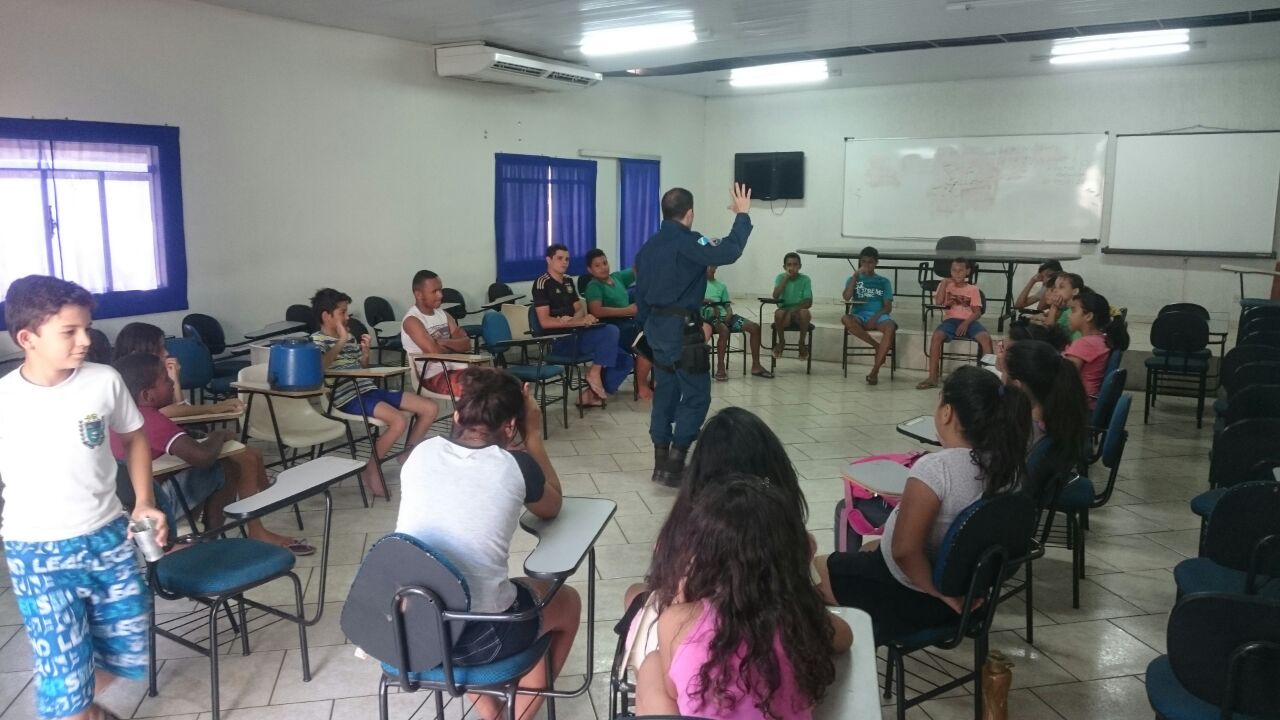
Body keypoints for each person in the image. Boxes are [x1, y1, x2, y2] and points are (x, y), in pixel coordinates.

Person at [0, 275, 167, 720]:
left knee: (127, 644)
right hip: (37, 550)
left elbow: (134, 436)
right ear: (27, 338)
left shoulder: (103, 380)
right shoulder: (5, 399)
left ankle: (78, 705)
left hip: (106, 535)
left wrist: (144, 501)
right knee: (62, 663)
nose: (85, 340)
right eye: (69, 332)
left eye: (87, 328)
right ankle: (75, 710)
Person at [395, 367, 579, 720]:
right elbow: (553, 506)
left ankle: (492, 715)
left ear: (458, 415)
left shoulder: (420, 453)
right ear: (510, 426)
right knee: (566, 601)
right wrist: (534, 435)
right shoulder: (516, 465)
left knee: (456, 592)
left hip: (407, 631)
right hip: (479, 639)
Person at [817, 367, 1030, 643]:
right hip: (969, 593)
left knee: (808, 571)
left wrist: (942, 594)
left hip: (914, 596)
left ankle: (828, 652)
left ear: (947, 412)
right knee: (869, 548)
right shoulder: (1010, 468)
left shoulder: (936, 469)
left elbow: (904, 551)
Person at [636, 475, 852, 719]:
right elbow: (846, 637)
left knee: (652, 664)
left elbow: (671, 690)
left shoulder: (677, 621)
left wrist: (681, 596)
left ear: (701, 555)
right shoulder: (800, 618)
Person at [109, 352, 314, 555]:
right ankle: (212, 538)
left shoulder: (119, 417)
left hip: (130, 511)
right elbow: (202, 457)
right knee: (227, 464)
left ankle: (209, 537)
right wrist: (219, 435)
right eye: (165, 380)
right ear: (147, 395)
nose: (172, 383)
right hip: (157, 508)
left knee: (224, 460)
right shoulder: (149, 419)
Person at [635, 184, 753, 487]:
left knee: (666, 391)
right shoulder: (689, 241)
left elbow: (641, 297)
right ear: (689, 214)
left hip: (656, 329)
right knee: (697, 394)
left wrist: (648, 328)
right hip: (682, 331)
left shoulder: (647, 248)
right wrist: (742, 215)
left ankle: (660, 463)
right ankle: (676, 463)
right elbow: (729, 250)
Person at [311, 288, 439, 497]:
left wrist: (364, 356)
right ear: (326, 316)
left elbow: (361, 370)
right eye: (342, 312)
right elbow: (319, 369)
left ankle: (406, 455)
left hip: (367, 389)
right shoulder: (316, 341)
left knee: (429, 408)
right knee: (398, 421)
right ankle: (372, 469)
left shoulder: (349, 338)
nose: (347, 317)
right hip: (345, 397)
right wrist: (341, 341)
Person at [532, 244, 633, 408]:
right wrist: (575, 321)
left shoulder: (568, 281)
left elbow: (579, 309)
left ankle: (590, 394)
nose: (564, 262)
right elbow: (544, 321)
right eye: (560, 258)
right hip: (560, 341)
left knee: (625, 359)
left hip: (577, 334)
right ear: (549, 260)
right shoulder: (542, 283)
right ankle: (594, 374)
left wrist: (575, 319)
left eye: (567, 259)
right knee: (611, 331)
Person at [1001, 339, 1089, 503]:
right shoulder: (1063, 414)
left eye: (1003, 372)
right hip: (1029, 497)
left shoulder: (1023, 430)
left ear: (1018, 385)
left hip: (1010, 500)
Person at [112, 322, 245, 419]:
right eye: (159, 349)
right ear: (139, 353)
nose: (166, 353)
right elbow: (162, 413)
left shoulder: (151, 375)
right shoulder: (125, 381)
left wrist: (174, 379)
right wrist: (214, 408)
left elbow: (179, 411)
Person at [583, 249, 653, 399]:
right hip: (613, 328)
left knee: (658, 334)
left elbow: (636, 269)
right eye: (597, 265)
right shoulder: (594, 286)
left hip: (630, 323)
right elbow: (596, 311)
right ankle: (641, 387)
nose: (603, 267)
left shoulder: (616, 277)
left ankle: (656, 381)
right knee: (647, 343)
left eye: (605, 263)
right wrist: (626, 310)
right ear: (590, 269)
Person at [918, 257, 993, 390]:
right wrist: (944, 283)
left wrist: (965, 323)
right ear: (950, 271)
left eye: (960, 270)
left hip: (969, 321)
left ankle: (989, 378)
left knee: (985, 338)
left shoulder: (972, 289)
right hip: (951, 321)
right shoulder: (946, 285)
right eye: (954, 270)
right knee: (936, 336)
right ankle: (932, 377)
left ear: (967, 271)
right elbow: (939, 302)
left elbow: (977, 313)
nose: (957, 273)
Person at [400, 269, 471, 397]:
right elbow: (435, 355)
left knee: (501, 381)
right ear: (418, 294)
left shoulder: (443, 314)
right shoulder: (412, 320)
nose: (440, 295)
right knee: (481, 388)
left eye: (440, 290)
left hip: (456, 368)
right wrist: (453, 346)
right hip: (433, 377)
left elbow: (466, 344)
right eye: (434, 291)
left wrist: (444, 342)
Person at [702, 265, 770, 380]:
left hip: (726, 317)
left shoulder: (721, 286)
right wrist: (710, 302)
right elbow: (694, 301)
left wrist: (729, 314)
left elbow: (727, 305)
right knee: (724, 330)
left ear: (715, 268)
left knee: (754, 327)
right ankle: (720, 366)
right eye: (707, 266)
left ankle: (756, 366)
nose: (709, 269)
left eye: (711, 266)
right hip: (710, 317)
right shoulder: (698, 285)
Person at [841, 245, 897, 385]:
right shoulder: (853, 279)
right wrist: (855, 277)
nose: (866, 265)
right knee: (845, 318)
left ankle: (874, 372)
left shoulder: (883, 281)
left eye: (870, 262)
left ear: (876, 263)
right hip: (859, 314)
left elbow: (888, 307)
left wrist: (875, 317)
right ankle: (876, 345)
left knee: (890, 327)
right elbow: (846, 297)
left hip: (879, 315)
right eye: (863, 262)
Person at [1064, 287, 1129, 406]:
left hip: (1078, 406)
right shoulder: (1101, 339)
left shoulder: (1084, 344)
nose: (1069, 316)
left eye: (1073, 310)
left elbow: (1064, 377)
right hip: (1088, 403)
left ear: (1088, 316)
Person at [772, 252, 814, 359]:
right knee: (778, 313)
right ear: (784, 267)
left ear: (800, 266)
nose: (792, 267)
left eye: (795, 264)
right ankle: (781, 342)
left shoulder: (805, 279)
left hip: (798, 312)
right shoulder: (780, 277)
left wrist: (793, 310)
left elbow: (808, 302)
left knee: (805, 312)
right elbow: (775, 296)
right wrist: (785, 278)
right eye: (789, 265)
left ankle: (801, 343)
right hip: (784, 313)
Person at [1042, 272, 1084, 341]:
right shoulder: (1067, 310)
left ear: (1075, 291)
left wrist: (1054, 307)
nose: (1055, 290)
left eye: (1061, 287)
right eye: (1055, 287)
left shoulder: (1071, 312)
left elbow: (1050, 331)